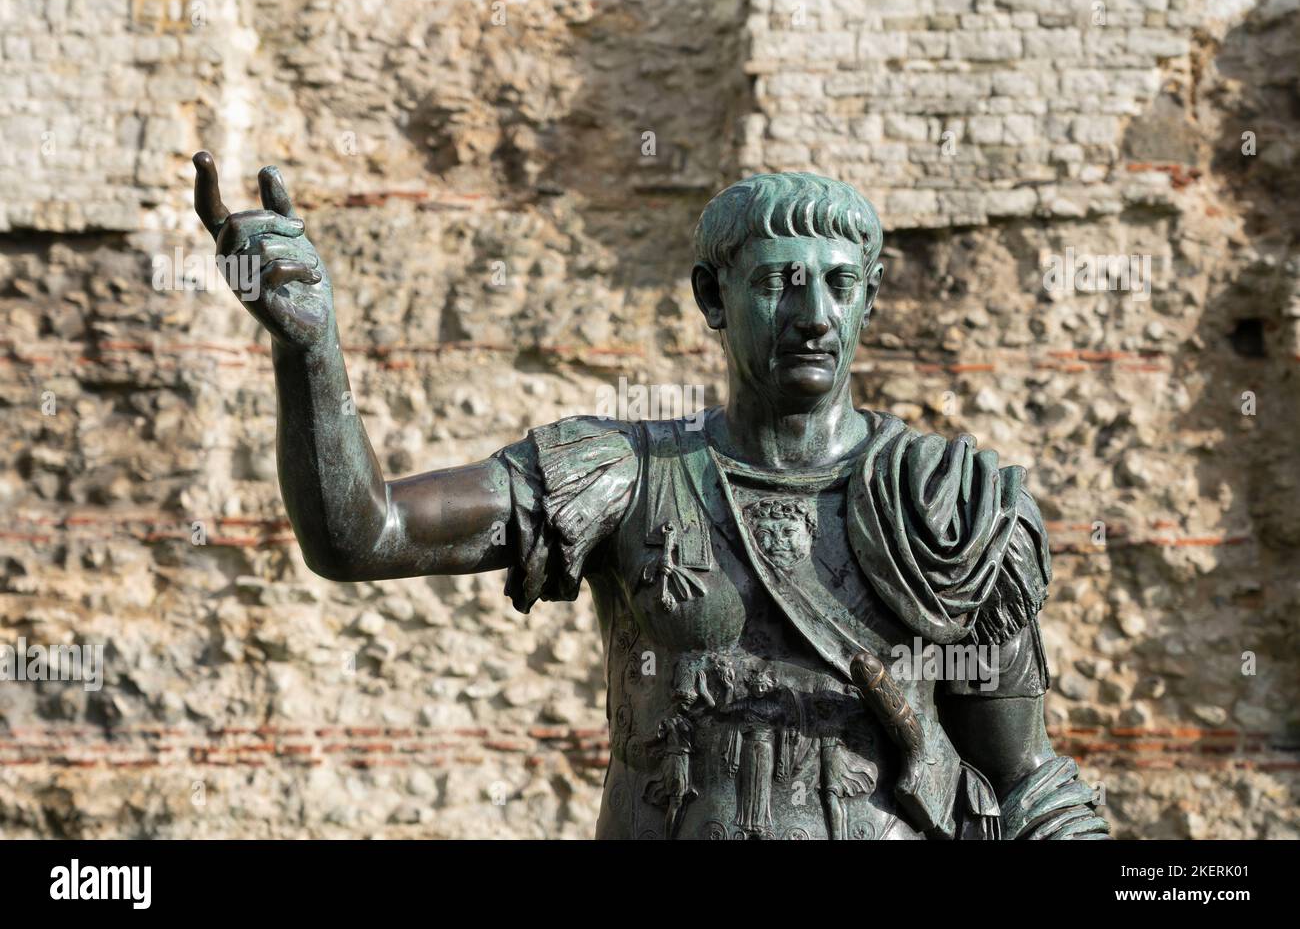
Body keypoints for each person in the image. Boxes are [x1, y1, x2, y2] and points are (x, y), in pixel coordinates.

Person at [192, 154, 1108, 839]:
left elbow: (1028, 784)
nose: (813, 315)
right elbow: (364, 536)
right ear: (715, 295)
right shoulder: (620, 474)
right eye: (780, 283)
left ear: (869, 298)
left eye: (838, 284)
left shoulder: (949, 504)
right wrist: (309, 347)